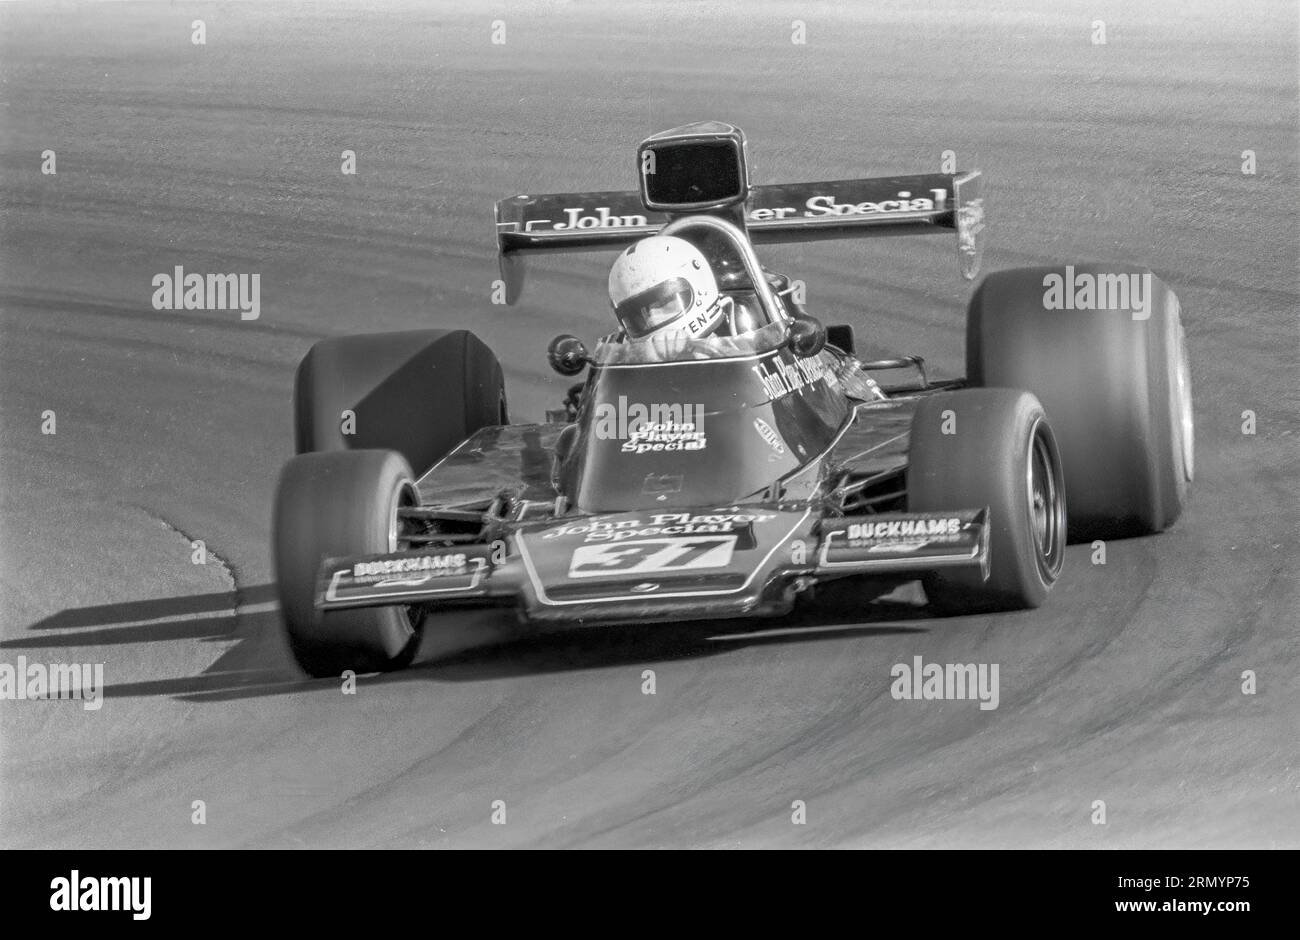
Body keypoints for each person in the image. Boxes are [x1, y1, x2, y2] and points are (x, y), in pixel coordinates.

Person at [607, 234, 759, 360]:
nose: (652, 319)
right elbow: (621, 398)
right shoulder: (626, 365)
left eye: (664, 302)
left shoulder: (738, 349)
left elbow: (749, 387)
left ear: (700, 291)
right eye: (637, 314)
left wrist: (697, 355)